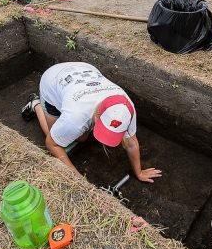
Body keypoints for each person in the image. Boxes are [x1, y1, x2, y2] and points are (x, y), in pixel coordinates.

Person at [22, 62, 162, 183]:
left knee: (81, 138)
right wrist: (78, 179)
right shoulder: (75, 118)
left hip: (85, 72)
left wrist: (139, 172)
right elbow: (51, 144)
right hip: (53, 80)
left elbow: (131, 143)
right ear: (96, 115)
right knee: (55, 137)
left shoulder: (126, 107)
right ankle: (36, 104)